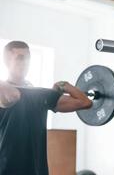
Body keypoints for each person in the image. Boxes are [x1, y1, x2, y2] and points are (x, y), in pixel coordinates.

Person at [0, 41, 92, 175]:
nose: (25, 62)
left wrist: (64, 85)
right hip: (7, 169)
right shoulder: (2, 91)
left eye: (28, 58)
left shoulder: (41, 95)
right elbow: (13, 95)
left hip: (38, 169)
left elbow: (85, 102)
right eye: (20, 58)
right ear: (7, 61)